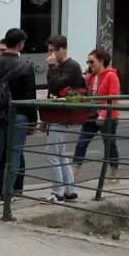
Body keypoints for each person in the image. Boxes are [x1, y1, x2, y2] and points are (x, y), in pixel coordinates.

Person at [0, 29, 37, 204]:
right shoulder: (25, 66)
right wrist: (32, 121)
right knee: (15, 153)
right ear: (21, 44)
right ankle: (6, 194)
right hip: (18, 115)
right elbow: (29, 97)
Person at [44, 35, 87, 202]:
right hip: (56, 113)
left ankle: (58, 192)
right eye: (49, 51)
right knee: (60, 153)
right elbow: (51, 90)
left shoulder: (71, 66)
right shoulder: (62, 65)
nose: (51, 55)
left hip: (63, 113)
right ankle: (69, 189)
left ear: (63, 49)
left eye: (53, 50)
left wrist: (52, 67)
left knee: (52, 153)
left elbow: (55, 85)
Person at [73, 48, 122, 185]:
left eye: (92, 62)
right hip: (92, 114)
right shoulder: (91, 77)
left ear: (101, 61)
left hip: (108, 115)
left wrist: (104, 113)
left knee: (109, 144)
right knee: (82, 142)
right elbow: (87, 95)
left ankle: (114, 172)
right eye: (88, 62)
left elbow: (113, 97)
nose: (89, 65)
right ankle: (74, 173)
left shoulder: (111, 76)